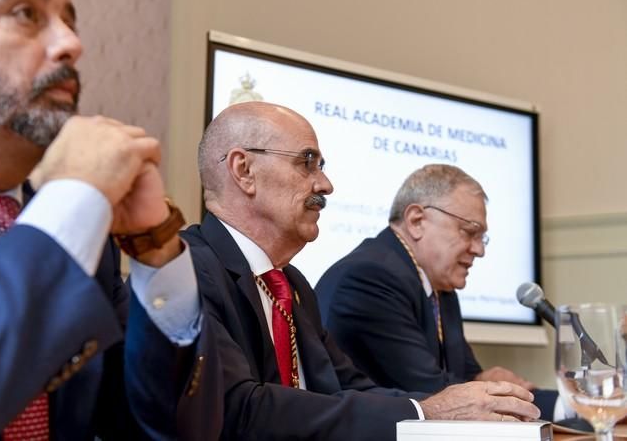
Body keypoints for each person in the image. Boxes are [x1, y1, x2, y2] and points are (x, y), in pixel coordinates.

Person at [125, 102, 541, 441]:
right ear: (244, 170)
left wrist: (461, 408)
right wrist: (427, 411)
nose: (325, 185)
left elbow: (349, 388)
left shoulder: (292, 284)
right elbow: (239, 410)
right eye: (307, 163)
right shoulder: (189, 271)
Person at [0, 0, 215, 439]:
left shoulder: (83, 232)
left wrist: (156, 249)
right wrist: (74, 202)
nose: (72, 43)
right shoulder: (68, 221)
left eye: (69, 20)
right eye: (25, 12)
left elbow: (173, 428)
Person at [316, 164, 560, 421]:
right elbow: (433, 392)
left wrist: (488, 384)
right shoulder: (370, 277)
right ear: (416, 221)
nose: (479, 250)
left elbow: (468, 376)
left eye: (482, 238)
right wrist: (570, 405)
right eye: (470, 232)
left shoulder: (440, 286)